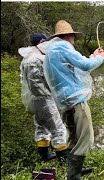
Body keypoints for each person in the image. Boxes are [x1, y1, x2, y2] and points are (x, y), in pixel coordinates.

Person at [42, 20, 104, 179]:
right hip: (76, 101)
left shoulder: (52, 50)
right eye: (73, 37)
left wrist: (93, 56)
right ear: (69, 35)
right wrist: (100, 58)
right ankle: (74, 175)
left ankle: (75, 171)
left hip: (65, 103)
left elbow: (77, 67)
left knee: (73, 137)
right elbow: (84, 66)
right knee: (85, 138)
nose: (74, 40)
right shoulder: (63, 47)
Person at [18, 33, 68, 162]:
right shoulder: (37, 59)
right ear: (41, 42)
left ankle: (44, 156)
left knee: (42, 127)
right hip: (43, 98)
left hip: (34, 100)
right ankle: (64, 160)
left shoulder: (27, 58)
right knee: (58, 129)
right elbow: (38, 83)